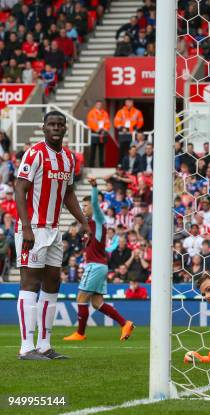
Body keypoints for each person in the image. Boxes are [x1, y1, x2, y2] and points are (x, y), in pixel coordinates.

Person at [14, 111, 92, 360]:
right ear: (44, 128)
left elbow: (68, 194)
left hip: (54, 229)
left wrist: (84, 222)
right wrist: (26, 227)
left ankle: (45, 345)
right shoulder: (35, 153)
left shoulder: (69, 158)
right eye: (52, 124)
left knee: (52, 283)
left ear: (65, 128)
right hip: (33, 228)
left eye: (60, 124)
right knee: (30, 282)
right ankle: (27, 347)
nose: (56, 127)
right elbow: (19, 188)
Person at [63, 177, 135, 342]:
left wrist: (94, 187)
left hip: (95, 267)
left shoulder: (99, 221)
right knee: (96, 302)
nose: (84, 208)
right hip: (99, 266)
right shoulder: (88, 225)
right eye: (83, 206)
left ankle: (80, 333)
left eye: (86, 206)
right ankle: (125, 323)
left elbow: (95, 204)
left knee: (81, 298)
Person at [86, 100, 111, 167]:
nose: (99, 106)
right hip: (94, 134)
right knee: (93, 150)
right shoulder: (91, 113)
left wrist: (104, 129)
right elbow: (90, 122)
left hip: (102, 134)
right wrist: (97, 129)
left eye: (100, 104)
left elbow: (107, 123)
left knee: (101, 151)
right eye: (98, 104)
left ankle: (101, 166)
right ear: (95, 105)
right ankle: (91, 165)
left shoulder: (105, 113)